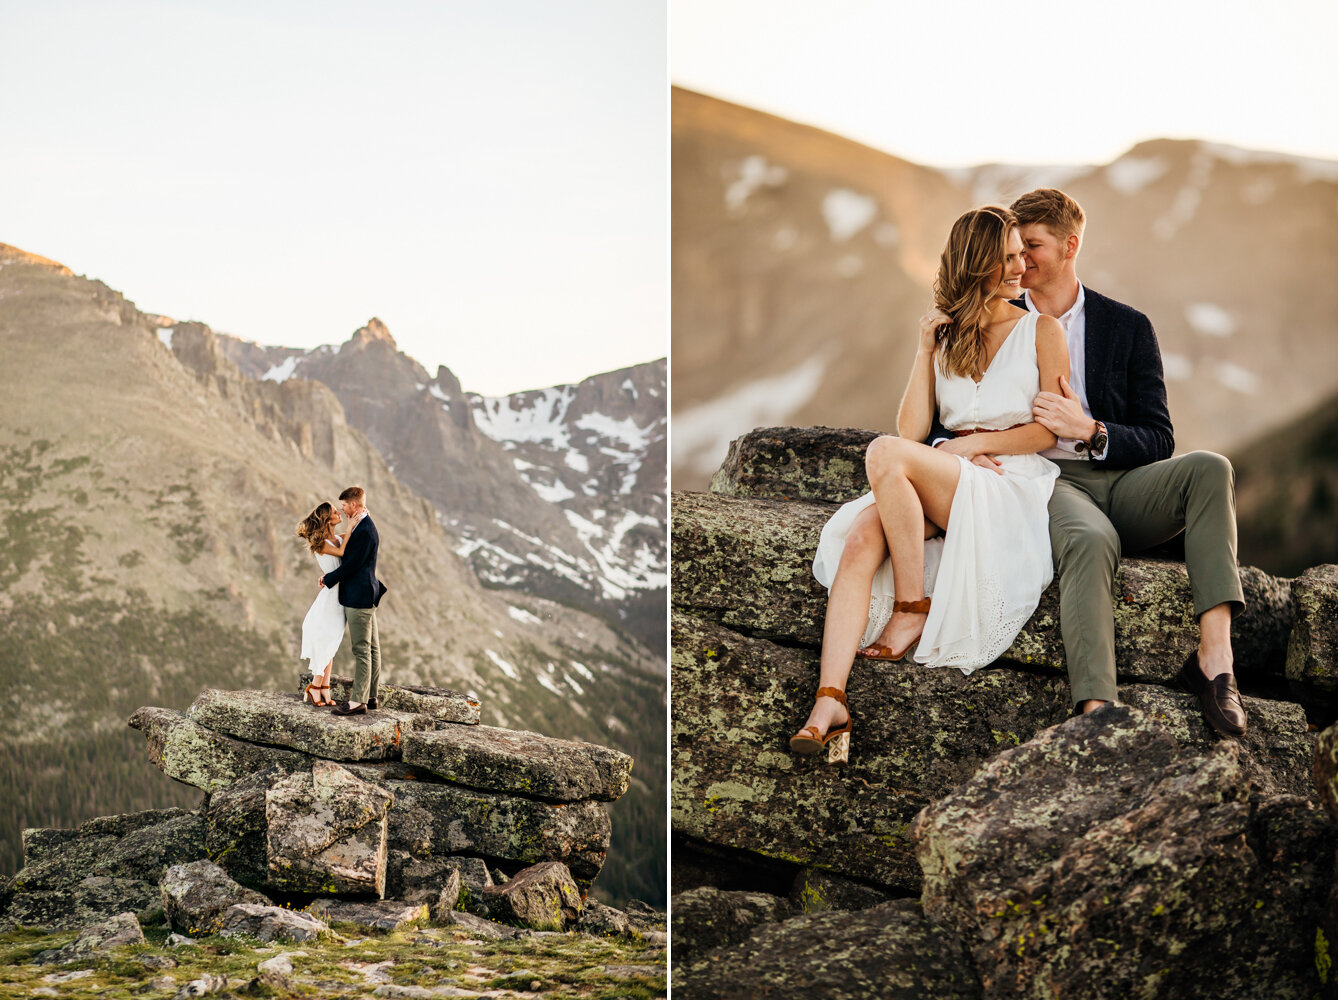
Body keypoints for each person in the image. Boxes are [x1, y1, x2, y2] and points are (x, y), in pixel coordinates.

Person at [791, 206, 1069, 763]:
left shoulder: (1042, 329)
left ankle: (913, 605)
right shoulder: (947, 337)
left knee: (884, 455)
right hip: (948, 471)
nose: (1020, 268)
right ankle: (829, 702)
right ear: (975, 263)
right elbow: (912, 431)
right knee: (862, 541)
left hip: (1005, 480)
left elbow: (1049, 429)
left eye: (1021, 254)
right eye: (1007, 258)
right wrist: (924, 350)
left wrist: (971, 445)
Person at [994, 188, 1245, 735]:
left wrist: (1091, 430)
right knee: (1090, 539)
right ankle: (1096, 710)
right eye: (1015, 248)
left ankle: (1215, 663)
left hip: (1125, 483)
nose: (1020, 260)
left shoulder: (1127, 326)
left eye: (1032, 246)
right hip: (1046, 481)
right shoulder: (997, 321)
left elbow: (1159, 439)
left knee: (1212, 468)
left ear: (1070, 245)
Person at [319, 486, 387, 716]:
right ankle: (371, 695)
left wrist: (327, 579)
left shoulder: (366, 530)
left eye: (345, 505)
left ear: (354, 505)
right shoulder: (361, 524)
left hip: (359, 596)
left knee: (362, 650)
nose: (342, 509)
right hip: (366, 593)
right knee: (373, 648)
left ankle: (358, 701)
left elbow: (351, 566)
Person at [295, 501, 346, 707]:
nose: (339, 512)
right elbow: (342, 552)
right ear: (327, 519)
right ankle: (315, 686)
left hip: (337, 595)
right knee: (326, 642)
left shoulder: (336, 538)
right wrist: (352, 526)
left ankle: (325, 688)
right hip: (330, 598)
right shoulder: (321, 542)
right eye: (335, 511)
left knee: (331, 643)